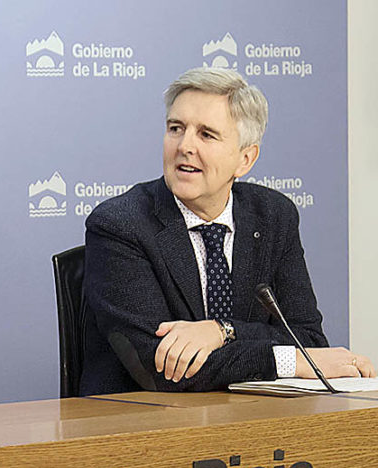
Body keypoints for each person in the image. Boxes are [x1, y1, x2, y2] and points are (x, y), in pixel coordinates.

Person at [80, 67, 373, 395]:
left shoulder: (274, 216)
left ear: (245, 159)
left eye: (206, 134)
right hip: (142, 426)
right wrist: (290, 362)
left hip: (249, 420)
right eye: (176, 128)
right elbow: (160, 368)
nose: (185, 146)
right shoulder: (121, 224)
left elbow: (306, 337)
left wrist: (223, 331)